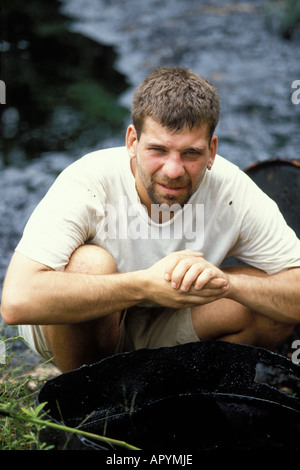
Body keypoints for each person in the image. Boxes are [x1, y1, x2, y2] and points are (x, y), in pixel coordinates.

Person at [1, 67, 300, 373]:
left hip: (163, 322)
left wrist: (227, 284)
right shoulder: (88, 181)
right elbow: (16, 301)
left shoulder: (232, 190)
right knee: (90, 264)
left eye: (190, 153)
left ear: (212, 151)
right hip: (76, 327)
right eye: (158, 150)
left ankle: (172, 391)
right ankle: (88, 402)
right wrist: (144, 286)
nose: (173, 170)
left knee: (262, 299)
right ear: (132, 141)